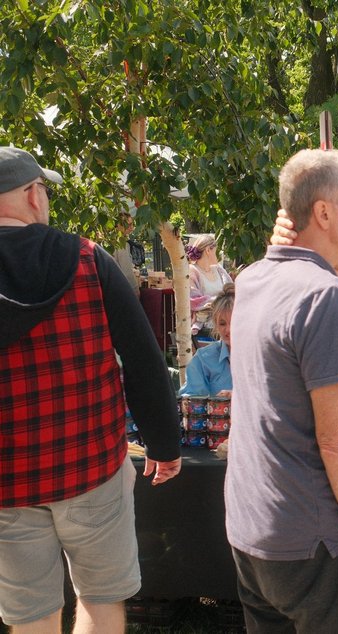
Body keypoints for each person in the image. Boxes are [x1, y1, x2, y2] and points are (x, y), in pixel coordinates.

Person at [0, 146, 181, 632]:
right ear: (33, 195)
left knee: (31, 617)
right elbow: (144, 360)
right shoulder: (86, 258)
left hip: (7, 482)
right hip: (91, 469)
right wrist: (164, 443)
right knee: (102, 602)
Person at [225, 149, 338, 632]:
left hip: (253, 531)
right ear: (323, 213)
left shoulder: (254, 277)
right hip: (314, 538)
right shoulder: (325, 296)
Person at [179, 283, 235, 397]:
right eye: (222, 323)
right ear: (215, 325)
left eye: (234, 322)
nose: (228, 330)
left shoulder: (262, 357)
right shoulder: (204, 359)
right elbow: (192, 401)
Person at [187, 233, 233, 334]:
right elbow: (194, 301)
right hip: (205, 326)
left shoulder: (219, 269)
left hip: (225, 319)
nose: (218, 256)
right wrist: (219, 301)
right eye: (216, 252)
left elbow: (231, 290)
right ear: (208, 250)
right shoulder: (192, 271)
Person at [112, 210, 143, 296]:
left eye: (132, 224)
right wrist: (135, 290)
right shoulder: (121, 243)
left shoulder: (108, 242)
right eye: (128, 225)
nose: (132, 228)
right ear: (118, 225)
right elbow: (127, 272)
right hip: (121, 292)